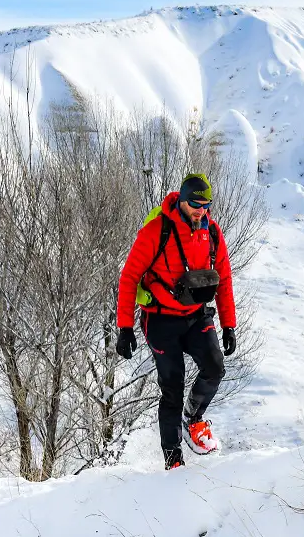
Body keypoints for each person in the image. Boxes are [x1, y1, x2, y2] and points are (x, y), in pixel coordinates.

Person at [115, 174, 237, 470]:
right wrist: (125, 327)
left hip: (196, 316)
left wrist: (229, 324)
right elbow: (129, 276)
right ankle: (173, 461)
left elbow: (224, 279)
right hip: (160, 320)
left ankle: (193, 419)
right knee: (173, 388)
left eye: (206, 205)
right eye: (195, 203)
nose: (201, 210)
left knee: (214, 367)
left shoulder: (213, 233)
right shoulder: (157, 231)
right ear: (182, 199)